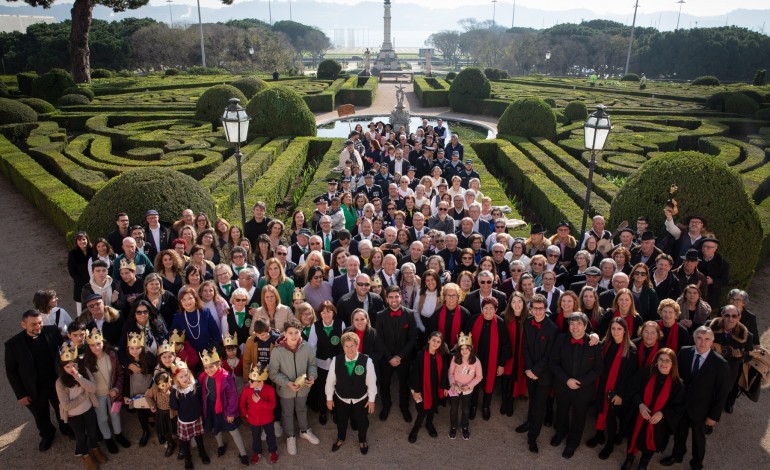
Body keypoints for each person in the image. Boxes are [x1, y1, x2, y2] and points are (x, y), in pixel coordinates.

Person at [662, 326, 731, 469]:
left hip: (702, 409)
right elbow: (676, 377)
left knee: (698, 439)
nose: (702, 342)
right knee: (679, 433)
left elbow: (722, 393)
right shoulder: (684, 352)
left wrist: (714, 416)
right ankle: (677, 455)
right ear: (694, 339)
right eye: (699, 338)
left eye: (706, 339)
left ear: (712, 342)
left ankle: (697, 463)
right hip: (682, 405)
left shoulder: (720, 364)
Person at [5, 309, 70, 451]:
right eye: (33, 324)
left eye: (39, 323)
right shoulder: (12, 345)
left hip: (55, 382)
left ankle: (66, 428)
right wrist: (20, 394)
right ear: (24, 325)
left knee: (62, 407)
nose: (38, 327)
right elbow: (11, 371)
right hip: (33, 387)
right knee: (40, 414)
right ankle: (47, 435)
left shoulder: (52, 331)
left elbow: (63, 352)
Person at [549, 312, 603, 459]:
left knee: (579, 417)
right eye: (572, 324)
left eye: (579, 324)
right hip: (563, 385)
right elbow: (553, 363)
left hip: (584, 389)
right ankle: (561, 432)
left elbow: (598, 368)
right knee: (561, 411)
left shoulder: (594, 344)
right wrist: (567, 380)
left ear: (585, 326)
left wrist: (581, 382)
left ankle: (572, 442)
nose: (575, 327)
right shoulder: (560, 339)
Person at [622, 348, 686, 470]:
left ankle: (643, 464)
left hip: (658, 423)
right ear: (656, 361)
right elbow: (632, 389)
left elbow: (678, 407)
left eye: (668, 360)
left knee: (651, 444)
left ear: (673, 364)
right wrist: (640, 404)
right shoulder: (646, 373)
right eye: (661, 359)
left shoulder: (678, 384)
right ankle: (629, 459)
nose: (664, 363)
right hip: (640, 415)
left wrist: (662, 414)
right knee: (633, 438)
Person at [586, 318, 637, 460]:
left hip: (617, 390)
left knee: (611, 418)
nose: (616, 332)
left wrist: (620, 395)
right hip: (602, 384)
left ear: (625, 330)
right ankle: (599, 435)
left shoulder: (631, 350)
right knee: (600, 410)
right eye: (613, 328)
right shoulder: (606, 343)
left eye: (619, 329)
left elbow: (630, 377)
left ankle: (609, 445)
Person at [269, 318, 320, 456]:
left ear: (300, 333)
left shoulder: (307, 347)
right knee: (287, 413)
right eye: (290, 333)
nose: (293, 336)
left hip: (303, 389)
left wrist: (312, 376)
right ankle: (290, 436)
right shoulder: (277, 351)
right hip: (286, 390)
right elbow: (272, 373)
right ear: (284, 334)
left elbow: (312, 365)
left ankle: (304, 431)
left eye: (296, 332)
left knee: (302, 409)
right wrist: (287, 383)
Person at [518, 294, 559, 453]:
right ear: (531, 309)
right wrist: (529, 369)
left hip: (544, 374)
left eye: (541, 308)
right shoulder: (527, 323)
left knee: (540, 404)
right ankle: (529, 422)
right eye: (535, 308)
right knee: (533, 399)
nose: (538, 311)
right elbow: (526, 347)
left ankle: (533, 437)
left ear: (546, 309)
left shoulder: (552, 328)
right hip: (530, 371)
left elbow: (550, 355)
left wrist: (535, 371)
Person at [55, 342, 107, 469]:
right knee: (80, 437)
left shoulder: (84, 371)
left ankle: (95, 449)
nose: (71, 369)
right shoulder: (60, 383)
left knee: (93, 433)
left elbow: (93, 388)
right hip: (74, 416)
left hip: (88, 409)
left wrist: (79, 377)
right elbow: (66, 406)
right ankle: (86, 456)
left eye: (74, 365)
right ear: (62, 368)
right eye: (68, 367)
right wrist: (84, 396)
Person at [325, 331, 377, 455]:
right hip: (342, 398)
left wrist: (371, 400)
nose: (349, 349)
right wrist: (329, 398)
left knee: (362, 421)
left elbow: (371, 382)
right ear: (343, 347)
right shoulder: (336, 360)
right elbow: (330, 381)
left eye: (352, 345)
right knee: (341, 420)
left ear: (357, 345)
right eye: (346, 346)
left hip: (361, 398)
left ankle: (362, 440)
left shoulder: (367, 361)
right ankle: (341, 438)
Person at [375, 286, 419, 423]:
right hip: (386, 358)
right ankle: (386, 406)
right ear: (387, 299)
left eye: (396, 296)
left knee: (404, 383)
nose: (394, 300)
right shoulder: (380, 315)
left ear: (400, 297)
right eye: (391, 297)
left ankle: (404, 406)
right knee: (385, 383)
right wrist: (389, 357)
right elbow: (379, 339)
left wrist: (399, 356)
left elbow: (413, 338)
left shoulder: (410, 314)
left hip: (404, 357)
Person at [198, 347, 249, 465]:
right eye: (206, 367)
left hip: (225, 407)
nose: (209, 370)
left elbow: (233, 396)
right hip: (212, 406)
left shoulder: (226, 377)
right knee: (216, 428)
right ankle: (220, 445)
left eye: (211, 366)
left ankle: (243, 453)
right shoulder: (203, 377)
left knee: (233, 430)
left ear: (219, 364)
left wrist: (231, 412)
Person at [82, 328, 129, 454]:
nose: (96, 347)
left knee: (115, 414)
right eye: (92, 345)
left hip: (113, 392)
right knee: (102, 417)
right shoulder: (86, 361)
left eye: (98, 344)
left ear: (103, 342)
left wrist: (117, 388)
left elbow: (119, 373)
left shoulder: (112, 355)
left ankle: (118, 434)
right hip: (98, 395)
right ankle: (108, 438)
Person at [469, 297, 511, 421]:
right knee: (474, 383)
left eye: (491, 308)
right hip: (475, 359)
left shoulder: (500, 323)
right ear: (482, 308)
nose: (488, 310)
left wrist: (502, 364)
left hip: (492, 360)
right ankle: (473, 405)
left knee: (489, 382)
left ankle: (486, 405)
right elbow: (465, 338)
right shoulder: (474, 319)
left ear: (496, 310)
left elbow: (506, 345)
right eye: (485, 308)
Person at [707, 305, 754, 414]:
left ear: (739, 317)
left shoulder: (746, 335)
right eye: (727, 315)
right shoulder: (710, 325)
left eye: (734, 316)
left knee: (722, 394)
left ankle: (713, 418)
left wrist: (740, 356)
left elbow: (750, 355)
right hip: (709, 365)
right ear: (722, 314)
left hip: (729, 369)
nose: (730, 319)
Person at [407, 331, 450, 443]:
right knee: (423, 410)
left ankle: (429, 424)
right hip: (423, 388)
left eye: (438, 342)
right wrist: (416, 390)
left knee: (432, 408)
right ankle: (415, 429)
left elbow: (445, 372)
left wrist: (445, 387)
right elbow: (415, 374)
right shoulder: (420, 355)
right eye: (434, 340)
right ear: (428, 340)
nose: (435, 343)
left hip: (436, 388)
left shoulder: (442, 355)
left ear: (441, 344)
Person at [169, 359, 211, 468]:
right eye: (181, 377)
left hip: (197, 418)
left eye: (186, 375)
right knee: (185, 443)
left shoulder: (195, 385)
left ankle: (202, 453)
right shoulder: (176, 391)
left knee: (199, 438)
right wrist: (172, 394)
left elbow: (201, 400)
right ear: (176, 379)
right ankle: (188, 459)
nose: (185, 378)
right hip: (184, 421)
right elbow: (174, 406)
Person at [122, 331, 156, 447]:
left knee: (153, 410)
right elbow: (126, 380)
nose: (134, 351)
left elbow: (155, 375)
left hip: (149, 390)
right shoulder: (128, 361)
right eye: (132, 348)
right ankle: (145, 431)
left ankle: (159, 432)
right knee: (141, 413)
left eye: (137, 348)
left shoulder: (150, 358)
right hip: (136, 392)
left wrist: (151, 389)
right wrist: (125, 395)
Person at [240, 364, 279, 464]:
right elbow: (242, 402)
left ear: (261, 381)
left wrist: (260, 401)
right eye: (250, 379)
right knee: (255, 436)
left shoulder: (269, 389)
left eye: (252, 381)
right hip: (253, 419)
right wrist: (245, 414)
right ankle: (257, 452)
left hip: (267, 419)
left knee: (270, 435)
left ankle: (273, 451)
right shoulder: (247, 389)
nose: (250, 382)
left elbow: (272, 405)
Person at [500, 291, 529, 417]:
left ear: (524, 303)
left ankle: (511, 401)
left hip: (521, 354)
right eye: (513, 301)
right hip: (507, 353)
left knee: (516, 377)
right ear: (510, 303)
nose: (516, 304)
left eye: (519, 301)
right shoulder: (504, 316)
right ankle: (505, 400)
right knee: (505, 378)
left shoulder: (529, 318)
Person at [170, 286, 222, 354]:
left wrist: (211, 350)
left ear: (195, 299)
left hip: (208, 354)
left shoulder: (205, 313)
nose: (187, 302)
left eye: (190, 298)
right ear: (180, 302)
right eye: (183, 300)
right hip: (189, 355)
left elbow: (216, 334)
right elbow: (172, 335)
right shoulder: (178, 317)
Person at [144, 368, 176, 458]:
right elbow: (147, 396)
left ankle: (181, 445)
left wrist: (167, 392)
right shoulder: (154, 388)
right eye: (160, 384)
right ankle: (170, 443)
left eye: (165, 382)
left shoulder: (173, 388)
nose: (163, 385)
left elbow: (174, 401)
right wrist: (152, 405)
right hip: (161, 413)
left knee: (175, 429)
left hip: (172, 413)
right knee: (165, 430)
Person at [68, 231, 92, 314]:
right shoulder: (72, 253)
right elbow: (72, 271)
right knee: (81, 311)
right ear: (76, 242)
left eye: (84, 239)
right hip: (80, 285)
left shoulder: (92, 251)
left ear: (87, 240)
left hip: (94, 283)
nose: (82, 242)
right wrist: (82, 282)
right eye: (79, 240)